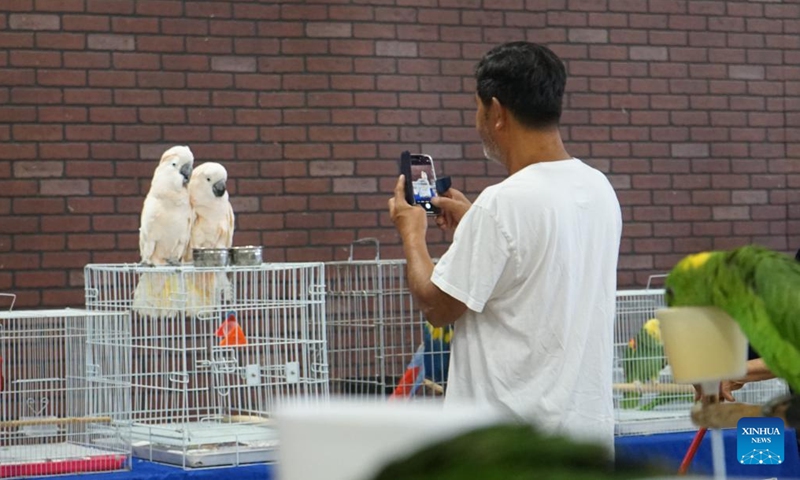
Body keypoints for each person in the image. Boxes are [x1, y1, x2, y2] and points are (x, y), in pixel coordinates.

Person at [388, 41, 623, 454]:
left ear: (497, 112)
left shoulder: (504, 202)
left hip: (508, 446)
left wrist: (412, 231)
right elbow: (535, 264)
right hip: (584, 438)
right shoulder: (598, 187)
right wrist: (476, 224)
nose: (477, 120)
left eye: (478, 109)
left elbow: (437, 305)